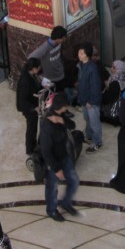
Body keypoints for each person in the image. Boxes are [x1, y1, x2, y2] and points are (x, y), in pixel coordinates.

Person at [38, 92, 80, 222]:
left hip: (63, 155)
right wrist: (56, 169)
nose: (67, 108)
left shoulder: (59, 115)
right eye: (65, 106)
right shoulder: (47, 125)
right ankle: (51, 210)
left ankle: (65, 203)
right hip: (53, 162)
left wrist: (62, 120)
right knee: (52, 187)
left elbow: (72, 125)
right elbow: (45, 151)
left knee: (73, 180)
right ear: (61, 106)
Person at [76, 42, 103, 153]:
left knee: (94, 122)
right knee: (87, 119)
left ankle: (97, 143)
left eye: (82, 53)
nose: (79, 54)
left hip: (91, 102)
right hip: (84, 100)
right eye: (79, 52)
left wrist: (90, 101)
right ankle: (89, 136)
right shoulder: (81, 65)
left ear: (87, 55)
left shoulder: (92, 69)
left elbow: (96, 87)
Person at [28, 26, 67, 92]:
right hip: (50, 79)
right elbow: (30, 57)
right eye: (63, 38)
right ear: (58, 38)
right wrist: (37, 70)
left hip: (60, 75)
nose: (64, 39)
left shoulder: (59, 43)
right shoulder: (45, 48)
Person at [16, 57, 42, 156]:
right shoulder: (25, 81)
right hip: (29, 108)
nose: (39, 69)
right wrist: (34, 108)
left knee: (34, 127)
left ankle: (33, 144)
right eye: (38, 67)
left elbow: (35, 87)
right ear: (33, 68)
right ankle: (30, 149)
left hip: (32, 105)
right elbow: (22, 101)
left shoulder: (31, 75)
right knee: (31, 128)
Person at [101, 59, 125, 125]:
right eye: (112, 67)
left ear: (119, 70)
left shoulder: (115, 83)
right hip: (122, 110)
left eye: (114, 68)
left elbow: (107, 99)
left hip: (115, 115)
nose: (111, 69)